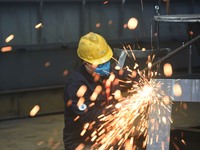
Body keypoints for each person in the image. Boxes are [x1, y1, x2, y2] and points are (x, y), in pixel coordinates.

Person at [63, 32, 138, 150]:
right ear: (86, 62)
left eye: (106, 61)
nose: (105, 66)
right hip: (82, 141)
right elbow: (87, 116)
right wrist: (116, 109)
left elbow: (127, 76)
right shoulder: (76, 84)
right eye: (100, 63)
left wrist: (141, 79)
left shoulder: (109, 72)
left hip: (107, 135)